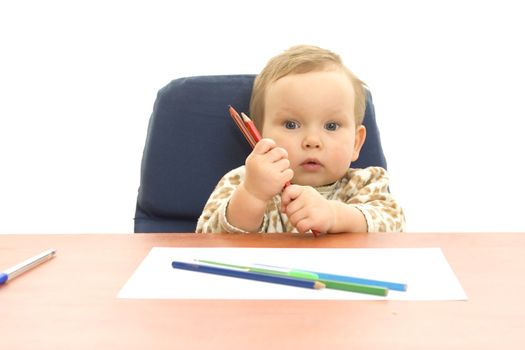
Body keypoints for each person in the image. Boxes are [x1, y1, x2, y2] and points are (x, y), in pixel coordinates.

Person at [196, 45, 405, 234]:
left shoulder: (366, 183)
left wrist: (335, 216)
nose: (312, 141)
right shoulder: (243, 180)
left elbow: (394, 225)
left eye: (331, 126)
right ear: (258, 137)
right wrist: (252, 195)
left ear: (356, 143)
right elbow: (206, 237)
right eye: (291, 125)